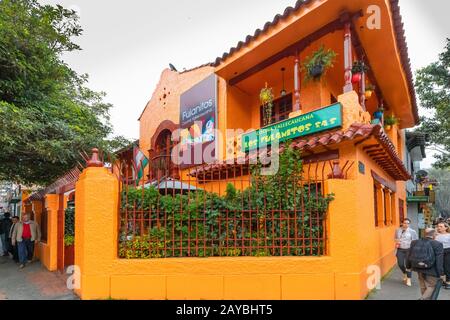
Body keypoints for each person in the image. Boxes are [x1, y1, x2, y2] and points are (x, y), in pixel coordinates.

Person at [406, 228, 445, 300]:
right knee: (431, 286)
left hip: (418, 268)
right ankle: (423, 299)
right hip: (432, 270)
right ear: (434, 235)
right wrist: (441, 273)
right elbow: (439, 260)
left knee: (423, 286)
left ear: (425, 234)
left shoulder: (414, 242)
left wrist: (408, 267)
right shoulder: (437, 244)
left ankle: (424, 298)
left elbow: (408, 256)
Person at [395, 218, 418, 286]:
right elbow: (396, 238)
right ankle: (404, 272)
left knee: (408, 265)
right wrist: (397, 242)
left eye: (408, 223)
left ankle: (409, 279)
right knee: (400, 264)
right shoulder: (398, 230)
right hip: (400, 249)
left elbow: (415, 241)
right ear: (402, 223)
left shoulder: (412, 231)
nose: (406, 224)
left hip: (409, 249)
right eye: (405, 223)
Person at [436, 222, 450, 289]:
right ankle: (444, 281)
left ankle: (448, 282)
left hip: (448, 252)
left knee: (447, 267)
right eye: (438, 226)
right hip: (438, 253)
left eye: (441, 226)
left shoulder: (449, 235)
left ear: (446, 227)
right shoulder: (436, 235)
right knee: (440, 267)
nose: (439, 228)